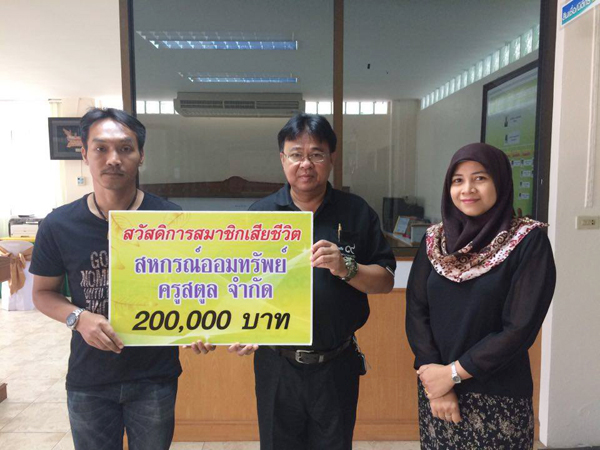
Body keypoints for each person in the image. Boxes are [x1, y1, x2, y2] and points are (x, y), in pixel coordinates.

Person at [235, 113, 396, 450]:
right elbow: (241, 285)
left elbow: (384, 281)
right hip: (276, 364)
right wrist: (242, 327)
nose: (305, 164)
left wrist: (347, 267)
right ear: (282, 159)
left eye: (316, 154)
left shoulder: (356, 212)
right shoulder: (260, 215)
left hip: (336, 364)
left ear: (331, 159)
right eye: (296, 154)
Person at [31, 108, 184, 450]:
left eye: (125, 149)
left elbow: (189, 289)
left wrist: (201, 327)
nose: (113, 159)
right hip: (89, 378)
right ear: (85, 154)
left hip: (154, 375)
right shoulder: (59, 225)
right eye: (101, 148)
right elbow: (42, 293)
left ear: (141, 156)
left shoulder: (171, 219)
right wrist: (78, 317)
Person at [405, 143, 556, 449]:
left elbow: (519, 328)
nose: (467, 189)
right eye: (457, 180)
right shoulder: (434, 241)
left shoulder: (528, 242)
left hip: (497, 393)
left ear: (500, 182)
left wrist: (452, 374)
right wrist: (436, 379)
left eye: (480, 178)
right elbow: (416, 311)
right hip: (438, 392)